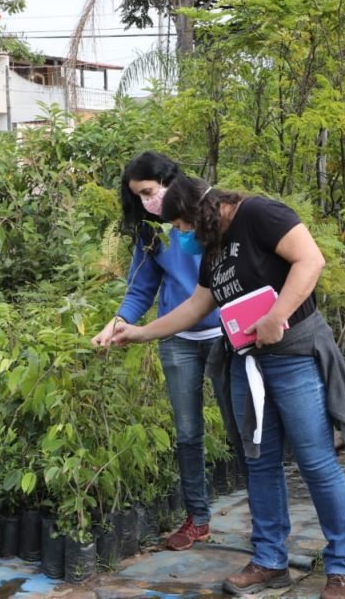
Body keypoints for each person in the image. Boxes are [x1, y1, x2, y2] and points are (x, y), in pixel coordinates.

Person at [113, 176, 345, 599]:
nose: (181, 237)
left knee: (316, 462)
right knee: (258, 463)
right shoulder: (213, 248)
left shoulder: (260, 214)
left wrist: (277, 315)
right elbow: (196, 305)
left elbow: (310, 260)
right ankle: (269, 560)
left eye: (181, 227)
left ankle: (343, 568)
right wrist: (141, 333)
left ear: (198, 213)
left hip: (295, 358)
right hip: (247, 364)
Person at [91, 152, 243, 551]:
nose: (147, 202)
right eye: (138, 197)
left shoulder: (207, 219)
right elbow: (141, 289)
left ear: (171, 182)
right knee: (187, 433)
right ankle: (197, 519)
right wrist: (116, 323)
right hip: (177, 339)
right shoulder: (151, 233)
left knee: (239, 428)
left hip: (225, 335)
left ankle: (264, 521)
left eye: (149, 192)